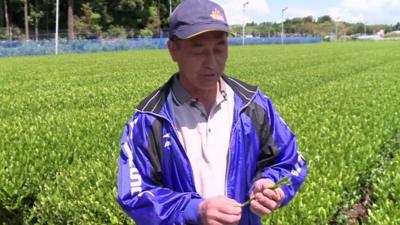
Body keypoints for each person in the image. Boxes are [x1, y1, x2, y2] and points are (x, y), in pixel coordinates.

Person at [117, 0, 307, 224]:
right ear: (173, 50)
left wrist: (270, 185)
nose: (212, 62)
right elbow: (135, 194)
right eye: (198, 49)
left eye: (219, 48)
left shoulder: (253, 105)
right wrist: (194, 210)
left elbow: (290, 161)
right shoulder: (149, 119)